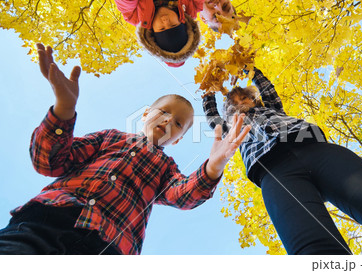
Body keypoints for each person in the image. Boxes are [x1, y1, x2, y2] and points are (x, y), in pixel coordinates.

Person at [0, 43, 250, 255]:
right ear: (145, 114)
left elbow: (182, 195)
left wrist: (213, 167)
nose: (167, 121)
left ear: (177, 140)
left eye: (177, 124)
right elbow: (49, 162)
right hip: (46, 220)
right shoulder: (110, 138)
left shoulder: (166, 168)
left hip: (107, 246)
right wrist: (64, 109)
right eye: (164, 112)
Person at [202, 66, 362, 255]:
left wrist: (247, 67)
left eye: (243, 99)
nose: (240, 104)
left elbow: (267, 88)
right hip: (273, 173)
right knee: (313, 249)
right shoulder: (226, 127)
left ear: (253, 99)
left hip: (316, 150)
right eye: (233, 104)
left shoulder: (273, 109)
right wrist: (209, 84)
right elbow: (210, 111)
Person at [114, 0, 203, 67]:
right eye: (173, 25)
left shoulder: (135, 16)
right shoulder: (194, 6)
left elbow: (126, 3)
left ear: (153, 32)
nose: (165, 21)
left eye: (162, 28)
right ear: (181, 21)